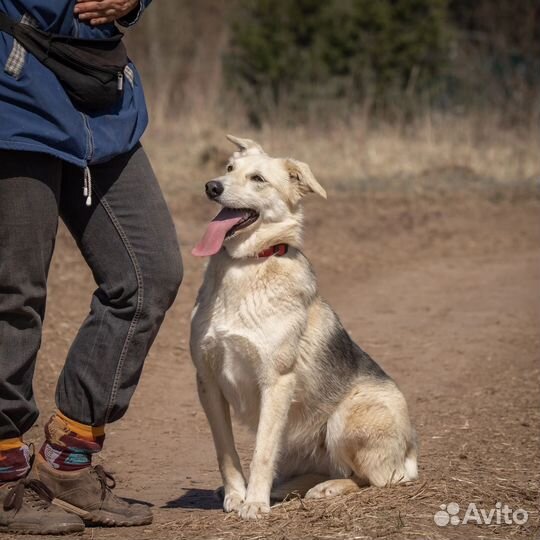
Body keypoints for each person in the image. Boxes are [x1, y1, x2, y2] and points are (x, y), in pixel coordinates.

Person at [0, 0, 183, 533]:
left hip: (98, 91)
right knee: (13, 290)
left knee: (150, 272)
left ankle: (66, 461)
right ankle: (5, 473)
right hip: (12, 90)